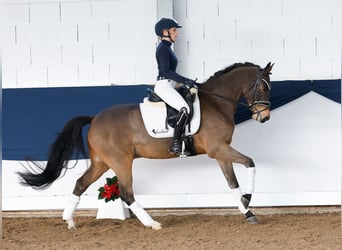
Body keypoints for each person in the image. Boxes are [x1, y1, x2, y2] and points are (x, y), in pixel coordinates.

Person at [154, 17, 197, 156]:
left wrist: (189, 82)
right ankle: (176, 144)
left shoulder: (167, 48)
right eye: (174, 30)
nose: (176, 33)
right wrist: (186, 80)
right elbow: (167, 72)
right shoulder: (162, 49)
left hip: (170, 84)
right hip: (164, 86)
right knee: (184, 109)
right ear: (165, 32)